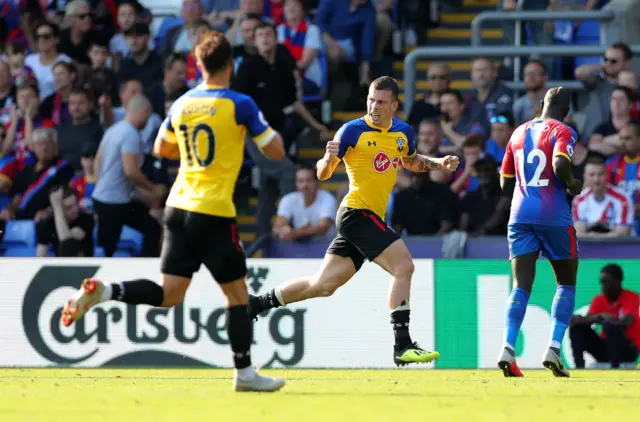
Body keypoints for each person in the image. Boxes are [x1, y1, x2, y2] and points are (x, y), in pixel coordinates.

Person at [61, 30, 287, 392]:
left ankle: (105, 291)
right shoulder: (240, 104)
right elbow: (274, 151)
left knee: (170, 295)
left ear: (198, 65)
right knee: (238, 296)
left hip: (178, 207)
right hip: (213, 209)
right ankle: (244, 373)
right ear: (231, 64)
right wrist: (254, 136)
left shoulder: (182, 104)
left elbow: (161, 148)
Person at [248, 76, 460, 366]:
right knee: (404, 267)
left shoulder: (403, 132)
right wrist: (327, 158)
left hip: (367, 217)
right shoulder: (352, 131)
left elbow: (409, 161)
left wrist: (437, 163)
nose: (374, 106)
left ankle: (258, 303)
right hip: (356, 213)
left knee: (322, 285)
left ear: (394, 105)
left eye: (381, 102)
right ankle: (402, 344)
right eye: (371, 99)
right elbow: (323, 174)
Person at [498, 87, 583, 378]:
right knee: (566, 283)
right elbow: (560, 164)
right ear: (566, 110)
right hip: (554, 217)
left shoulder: (518, 132)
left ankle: (508, 348)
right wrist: (573, 184)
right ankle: (554, 349)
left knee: (521, 285)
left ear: (542, 104)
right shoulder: (564, 131)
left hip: (519, 216)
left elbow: (504, 183)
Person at [570, 264, 640, 368]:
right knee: (576, 327)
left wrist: (608, 320)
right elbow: (588, 319)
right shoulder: (598, 299)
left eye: (607, 282)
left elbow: (626, 322)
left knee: (610, 325)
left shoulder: (631, 297)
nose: (603, 286)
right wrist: (600, 316)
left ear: (618, 281)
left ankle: (615, 367)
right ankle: (579, 367)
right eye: (602, 283)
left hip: (628, 349)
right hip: (607, 349)